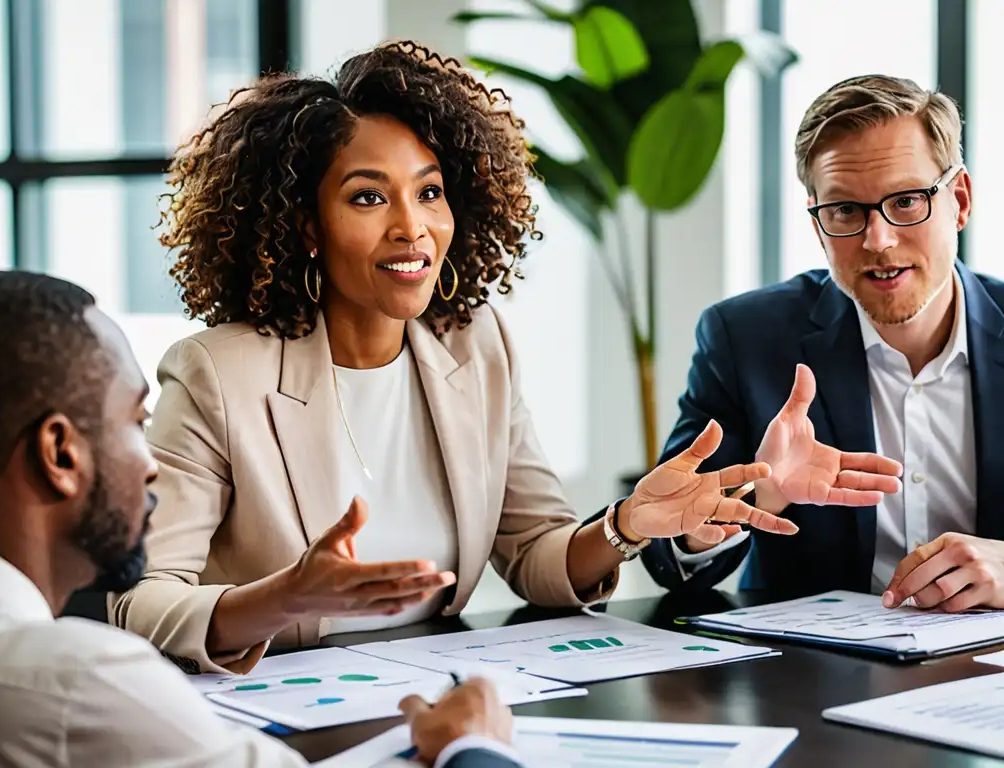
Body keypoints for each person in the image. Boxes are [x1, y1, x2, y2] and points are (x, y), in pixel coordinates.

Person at [108, 39, 796, 675]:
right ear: (307, 227)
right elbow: (139, 606)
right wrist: (286, 596)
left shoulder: (475, 343)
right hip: (282, 716)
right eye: (369, 197)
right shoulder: (218, 374)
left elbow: (534, 552)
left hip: (439, 697)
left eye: (430, 192)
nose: (413, 228)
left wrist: (626, 525)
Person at [0, 270, 522, 768]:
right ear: (59, 454)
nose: (151, 465)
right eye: (135, 421)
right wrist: (471, 749)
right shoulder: (79, 684)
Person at [635, 74, 1004, 612]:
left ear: (960, 200)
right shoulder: (747, 338)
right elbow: (673, 554)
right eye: (845, 212)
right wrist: (760, 493)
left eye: (905, 201)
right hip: (816, 679)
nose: (878, 240)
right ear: (818, 222)